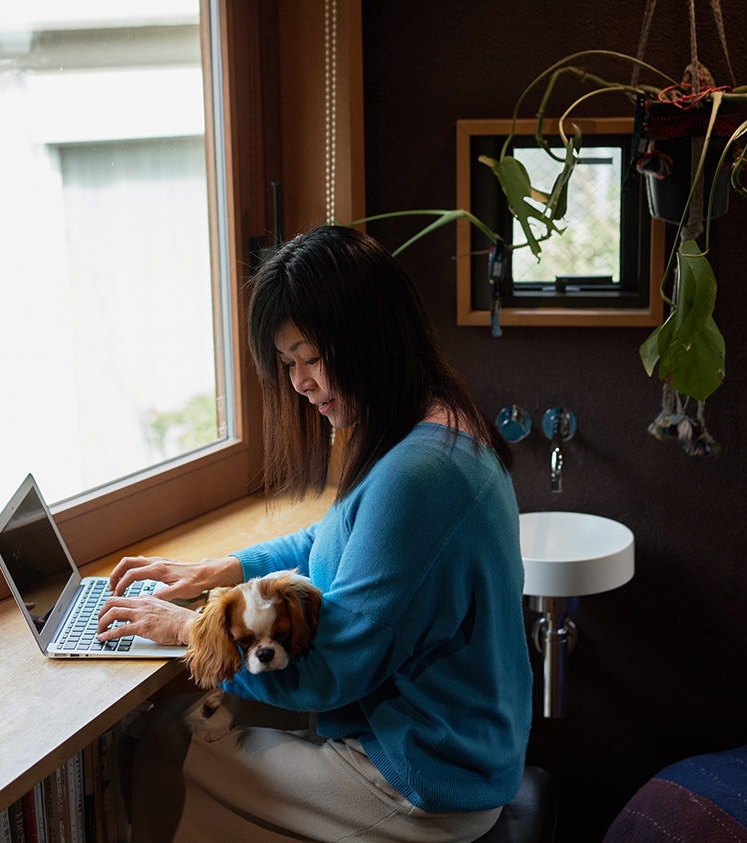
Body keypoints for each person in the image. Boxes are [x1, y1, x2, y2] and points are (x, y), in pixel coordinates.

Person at [97, 225, 532, 842]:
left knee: (166, 742)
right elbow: (332, 541)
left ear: (370, 338)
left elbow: (330, 672)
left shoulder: (418, 476)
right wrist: (224, 569)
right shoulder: (439, 425)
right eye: (287, 363)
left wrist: (186, 629)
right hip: (457, 746)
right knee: (205, 715)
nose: (299, 383)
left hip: (420, 780)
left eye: (310, 357)